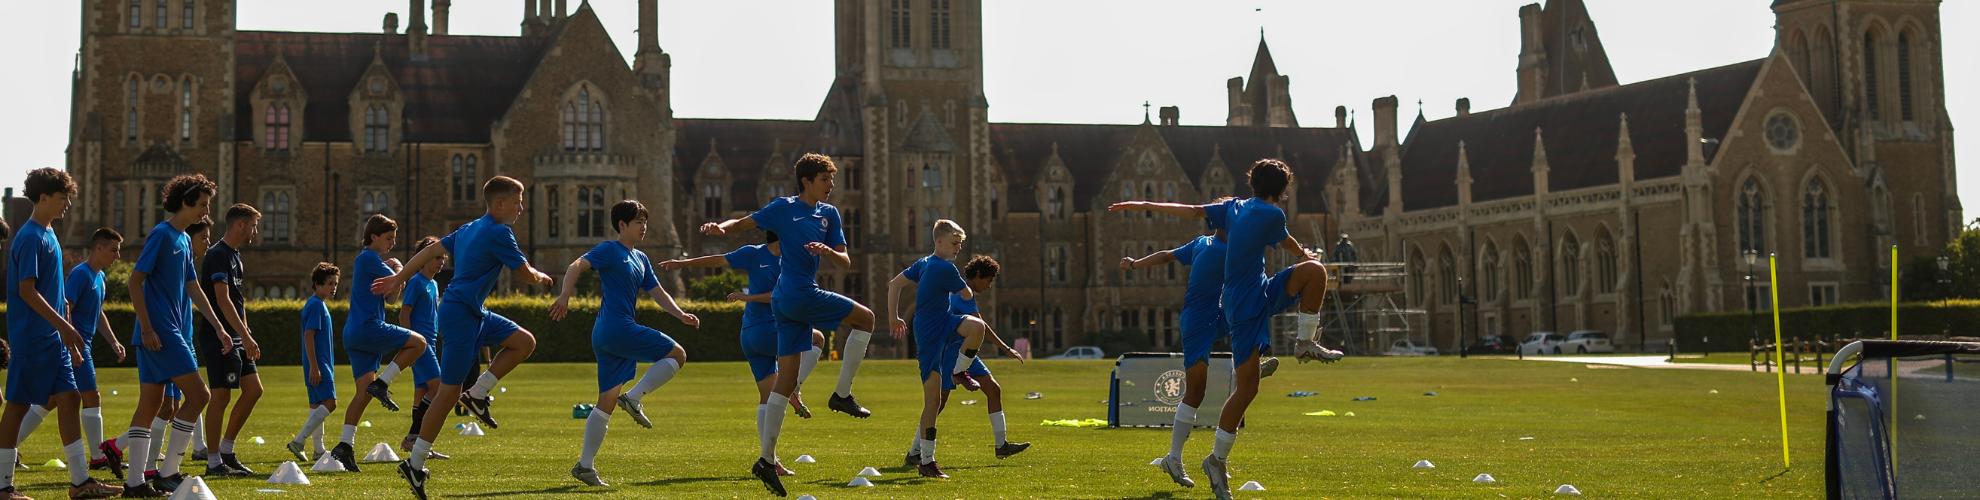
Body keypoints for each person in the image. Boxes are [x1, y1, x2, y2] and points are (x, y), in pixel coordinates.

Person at [699, 153, 879, 496]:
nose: (831, 186)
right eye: (825, 179)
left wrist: (826, 250)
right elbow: (745, 224)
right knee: (867, 318)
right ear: (807, 181)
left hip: (785, 303)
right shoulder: (783, 208)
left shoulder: (830, 215)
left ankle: (766, 460)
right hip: (797, 295)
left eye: (832, 180)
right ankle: (842, 394)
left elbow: (845, 261)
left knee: (785, 382)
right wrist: (721, 227)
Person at [372, 176, 554, 500]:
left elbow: (429, 250)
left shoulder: (469, 228)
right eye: (517, 202)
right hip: (458, 315)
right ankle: (414, 465)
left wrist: (398, 277)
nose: (521, 208)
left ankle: (478, 394)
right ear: (499, 204)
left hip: (475, 313)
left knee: (524, 342)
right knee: (446, 393)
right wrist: (541, 276)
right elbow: (524, 273)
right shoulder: (499, 232)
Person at [1110, 201, 1278, 487]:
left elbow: (1166, 256)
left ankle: (1248, 367)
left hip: (1220, 314)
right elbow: (1167, 255)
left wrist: (1136, 263)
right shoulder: (1222, 249)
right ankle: (1172, 458)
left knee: (1253, 308)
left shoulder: (1204, 243)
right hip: (1198, 320)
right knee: (1196, 391)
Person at [550, 200, 699, 487]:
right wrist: (565, 295)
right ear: (622, 225)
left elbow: (657, 292)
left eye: (645, 221)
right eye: (638, 222)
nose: (644, 227)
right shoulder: (609, 249)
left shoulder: (641, 259)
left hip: (607, 335)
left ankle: (584, 466)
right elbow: (576, 264)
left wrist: (680, 315)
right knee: (677, 354)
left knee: (605, 403)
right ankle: (633, 397)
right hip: (616, 330)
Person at [2, 168, 125, 499]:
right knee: (16, 405)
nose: (67, 204)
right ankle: (3, 486)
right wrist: (66, 326)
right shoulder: (30, 237)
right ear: (43, 198)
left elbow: (56, 293)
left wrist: (66, 332)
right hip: (32, 337)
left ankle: (80, 483)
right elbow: (27, 291)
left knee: (70, 399)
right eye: (62, 198)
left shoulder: (50, 233)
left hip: (54, 339)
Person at [660, 231, 822, 477]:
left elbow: (718, 259)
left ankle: (770, 460)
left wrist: (682, 263)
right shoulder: (791, 261)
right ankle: (794, 388)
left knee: (767, 400)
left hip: (749, 335)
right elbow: (782, 296)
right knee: (817, 338)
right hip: (771, 330)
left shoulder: (752, 252)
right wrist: (749, 297)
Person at [120, 174, 230, 497]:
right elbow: (134, 282)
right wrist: (148, 327)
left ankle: (135, 484)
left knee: (150, 405)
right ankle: (168, 473)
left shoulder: (182, 239)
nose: (206, 211)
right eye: (203, 204)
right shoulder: (162, 235)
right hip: (161, 333)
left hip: (164, 333)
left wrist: (218, 325)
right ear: (185, 201)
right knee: (200, 396)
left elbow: (192, 286)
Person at [885, 219, 990, 479]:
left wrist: (893, 317)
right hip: (930, 334)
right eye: (955, 243)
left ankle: (958, 371)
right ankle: (926, 461)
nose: (958, 249)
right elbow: (966, 295)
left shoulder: (923, 263)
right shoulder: (945, 268)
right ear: (940, 241)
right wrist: (964, 288)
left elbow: (894, 285)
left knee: (977, 328)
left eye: (960, 244)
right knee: (932, 400)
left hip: (943, 322)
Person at [333, 215, 431, 472]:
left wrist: (397, 274)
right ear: (374, 236)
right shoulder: (368, 258)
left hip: (355, 334)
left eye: (394, 239)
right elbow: (400, 280)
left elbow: (390, 297)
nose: (392, 243)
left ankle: (344, 445)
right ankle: (383, 383)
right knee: (419, 343)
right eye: (388, 238)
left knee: (361, 394)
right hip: (368, 328)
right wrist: (399, 268)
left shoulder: (370, 262)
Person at [920, 255, 1028, 464]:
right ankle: (916, 451)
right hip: (951, 353)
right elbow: (981, 326)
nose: (989, 286)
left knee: (993, 390)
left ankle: (1001, 446)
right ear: (977, 276)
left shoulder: (959, 291)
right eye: (988, 280)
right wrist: (1005, 348)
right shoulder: (964, 294)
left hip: (965, 352)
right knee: (936, 404)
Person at [197, 204, 264, 476]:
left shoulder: (236, 256)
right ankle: (213, 461)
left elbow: (239, 301)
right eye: (253, 225)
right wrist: (243, 336)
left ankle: (227, 450)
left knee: (253, 390)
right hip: (219, 337)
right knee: (221, 395)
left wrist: (247, 334)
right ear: (239, 225)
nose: (255, 231)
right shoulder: (217, 255)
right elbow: (222, 301)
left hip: (237, 336)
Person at [70, 229, 129, 478]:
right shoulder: (81, 274)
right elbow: (66, 308)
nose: (117, 255)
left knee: (49, 402)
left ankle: (8, 449)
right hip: (76, 345)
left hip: (83, 345)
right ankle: (97, 457)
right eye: (114, 250)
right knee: (91, 397)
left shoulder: (100, 276)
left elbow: (98, 313)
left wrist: (114, 341)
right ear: (99, 249)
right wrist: (72, 345)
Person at [396, 236, 450, 460]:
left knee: (421, 392)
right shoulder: (416, 282)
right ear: (424, 257)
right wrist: (412, 343)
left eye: (443, 258)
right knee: (437, 387)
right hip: (421, 345)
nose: (441, 262)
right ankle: (415, 439)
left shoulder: (434, 283)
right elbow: (404, 313)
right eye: (437, 257)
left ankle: (414, 441)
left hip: (430, 343)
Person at [286, 263, 340, 465]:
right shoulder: (316, 305)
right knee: (330, 403)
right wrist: (315, 366)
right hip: (319, 363)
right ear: (317, 284)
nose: (333, 287)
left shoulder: (318, 304)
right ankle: (299, 441)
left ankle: (319, 450)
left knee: (316, 405)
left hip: (318, 363)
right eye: (329, 284)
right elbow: (309, 336)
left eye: (335, 283)